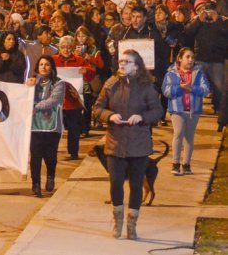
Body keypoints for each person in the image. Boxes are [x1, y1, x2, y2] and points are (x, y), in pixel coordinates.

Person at [93, 49, 164, 240]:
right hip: (115, 143)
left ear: (137, 66)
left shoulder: (146, 86)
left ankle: (132, 225)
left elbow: (158, 111)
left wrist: (142, 117)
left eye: (127, 61)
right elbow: (97, 108)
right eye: (121, 61)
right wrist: (109, 115)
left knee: (136, 185)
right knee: (115, 184)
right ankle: (117, 222)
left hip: (138, 145)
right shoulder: (111, 84)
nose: (122, 64)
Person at [162, 48, 211, 175]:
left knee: (189, 137)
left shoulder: (199, 73)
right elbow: (166, 91)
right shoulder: (171, 73)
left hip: (193, 111)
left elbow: (206, 89)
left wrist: (192, 89)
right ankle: (175, 163)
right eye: (187, 57)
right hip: (177, 110)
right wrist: (180, 88)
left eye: (192, 58)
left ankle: (187, 164)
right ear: (180, 58)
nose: (190, 60)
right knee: (178, 134)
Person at [26, 55, 66, 197]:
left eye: (47, 64)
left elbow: (54, 100)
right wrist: (29, 87)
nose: (43, 67)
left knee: (50, 155)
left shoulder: (59, 83)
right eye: (41, 64)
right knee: (35, 156)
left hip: (52, 126)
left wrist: (36, 106)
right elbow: (25, 97)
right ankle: (35, 183)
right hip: (34, 125)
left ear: (52, 67)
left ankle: (50, 177)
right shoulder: (32, 82)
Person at [53, 36, 93, 160]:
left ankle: (73, 152)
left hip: (74, 101)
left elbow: (91, 74)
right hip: (57, 101)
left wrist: (86, 70)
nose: (66, 50)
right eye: (63, 47)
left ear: (73, 48)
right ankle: (52, 151)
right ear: (59, 48)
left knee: (74, 129)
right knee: (54, 129)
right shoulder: (53, 60)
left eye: (69, 47)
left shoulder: (79, 60)